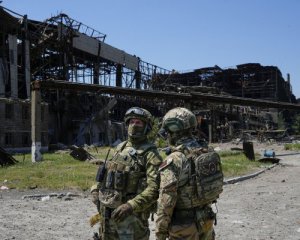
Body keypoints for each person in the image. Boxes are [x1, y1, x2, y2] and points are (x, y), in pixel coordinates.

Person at [90, 107, 162, 240]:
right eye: (131, 122)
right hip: (108, 215)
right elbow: (109, 174)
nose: (134, 125)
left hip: (132, 220)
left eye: (138, 123)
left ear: (147, 127)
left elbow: (154, 189)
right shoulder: (120, 147)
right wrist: (95, 189)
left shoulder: (150, 154)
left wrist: (131, 205)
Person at [155, 107, 223, 240]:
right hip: (206, 219)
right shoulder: (206, 150)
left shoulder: (175, 159)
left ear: (172, 130)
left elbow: (166, 201)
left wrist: (160, 233)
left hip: (184, 227)